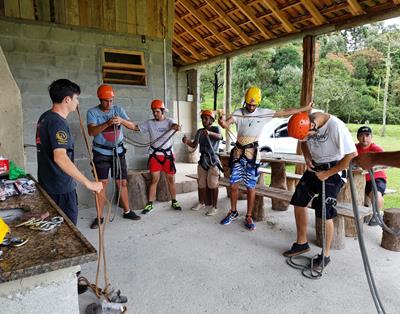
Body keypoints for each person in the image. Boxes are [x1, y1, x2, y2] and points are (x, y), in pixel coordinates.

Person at [217, 86, 312, 230]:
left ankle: (249, 215)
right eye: (248, 104)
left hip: (252, 153)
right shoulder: (238, 112)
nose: (250, 106)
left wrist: (304, 108)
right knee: (233, 184)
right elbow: (226, 124)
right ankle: (234, 211)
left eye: (253, 105)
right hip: (238, 152)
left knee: (250, 187)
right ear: (245, 101)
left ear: (258, 103)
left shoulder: (264, 113)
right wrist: (222, 121)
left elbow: (284, 112)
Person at [283, 110, 357, 269]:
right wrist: (307, 157)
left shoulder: (336, 127)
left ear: (312, 127)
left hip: (335, 170)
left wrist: (327, 174)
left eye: (306, 136)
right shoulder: (306, 123)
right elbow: (303, 141)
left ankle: (326, 255)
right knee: (299, 199)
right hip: (316, 168)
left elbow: (351, 155)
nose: (305, 139)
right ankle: (302, 243)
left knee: (324, 209)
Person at [36, 79, 103, 225]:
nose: (77, 102)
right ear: (67, 99)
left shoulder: (45, 117)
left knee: (54, 228)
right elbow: (60, 157)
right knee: (68, 230)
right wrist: (88, 183)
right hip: (61, 188)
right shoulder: (58, 123)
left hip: (48, 184)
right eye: (76, 98)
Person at [87, 84, 141, 229]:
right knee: (101, 184)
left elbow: (134, 127)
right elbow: (91, 131)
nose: (109, 104)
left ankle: (127, 211)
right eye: (106, 101)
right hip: (101, 153)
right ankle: (99, 217)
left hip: (118, 152)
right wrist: (107, 123)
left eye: (111, 100)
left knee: (122, 182)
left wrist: (121, 120)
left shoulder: (118, 110)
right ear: (100, 99)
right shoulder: (92, 112)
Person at [135, 100, 182, 214]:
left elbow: (174, 126)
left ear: (162, 111)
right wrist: (122, 122)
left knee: (171, 179)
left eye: (157, 111)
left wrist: (176, 127)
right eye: (153, 111)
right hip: (155, 155)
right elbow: (135, 127)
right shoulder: (149, 123)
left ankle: (174, 200)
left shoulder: (169, 121)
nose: (155, 114)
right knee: (154, 179)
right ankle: (150, 203)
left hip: (167, 155)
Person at [182, 110, 223, 216]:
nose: (204, 120)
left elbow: (220, 137)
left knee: (213, 183)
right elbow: (194, 145)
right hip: (203, 160)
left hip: (213, 160)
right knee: (201, 183)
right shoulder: (200, 131)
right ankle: (201, 202)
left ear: (211, 120)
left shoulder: (215, 129)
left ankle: (215, 207)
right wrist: (187, 142)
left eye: (206, 118)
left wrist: (209, 133)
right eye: (203, 118)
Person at [355, 126, 387, 226]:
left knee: (376, 194)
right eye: (361, 136)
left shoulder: (376, 149)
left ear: (371, 137)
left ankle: (377, 214)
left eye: (367, 135)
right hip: (357, 179)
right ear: (358, 137)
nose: (364, 138)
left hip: (375, 178)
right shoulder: (353, 148)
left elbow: (385, 163)